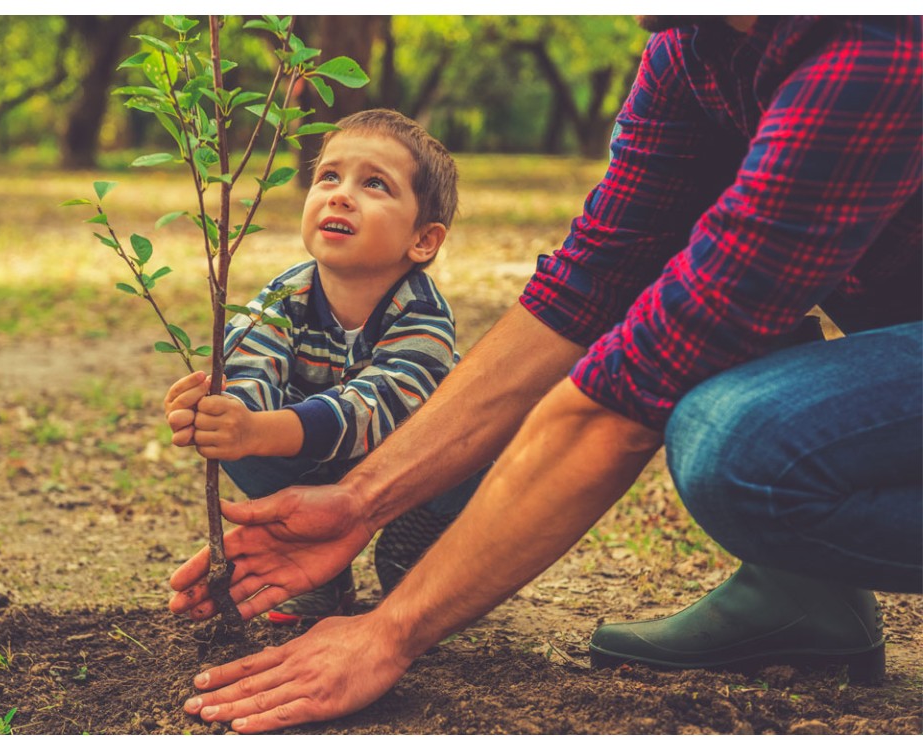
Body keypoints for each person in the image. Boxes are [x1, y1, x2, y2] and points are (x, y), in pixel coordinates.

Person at [165, 16, 922, 732]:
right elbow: (589, 285)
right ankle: (803, 594)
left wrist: (390, 631)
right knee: (697, 300)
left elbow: (630, 392)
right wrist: (358, 503)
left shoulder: (873, 43)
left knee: (738, 444)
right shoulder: (693, 49)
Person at [163, 109, 486, 625]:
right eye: (328, 177)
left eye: (375, 184)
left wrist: (266, 428)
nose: (340, 194)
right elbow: (251, 366)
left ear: (422, 239)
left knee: (478, 449)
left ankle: (421, 541)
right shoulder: (285, 296)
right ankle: (322, 571)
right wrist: (224, 414)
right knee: (241, 442)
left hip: (408, 467)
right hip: (313, 460)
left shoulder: (424, 314)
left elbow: (378, 408)